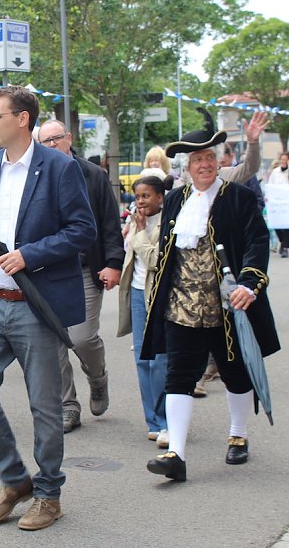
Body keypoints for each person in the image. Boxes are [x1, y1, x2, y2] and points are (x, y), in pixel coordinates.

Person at [0, 86, 96, 530]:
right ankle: (15, 480)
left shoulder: (59, 167)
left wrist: (29, 254)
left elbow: (82, 230)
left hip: (36, 305)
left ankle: (49, 493)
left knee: (45, 406)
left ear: (22, 119)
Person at [142, 113, 280, 483]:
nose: (203, 164)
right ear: (186, 167)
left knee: (235, 374)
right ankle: (177, 454)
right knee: (178, 377)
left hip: (226, 308)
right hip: (181, 308)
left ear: (219, 161)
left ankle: (238, 434)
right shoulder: (173, 201)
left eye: (208, 157)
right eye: (196, 159)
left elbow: (257, 242)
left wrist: (249, 283)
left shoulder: (238, 197)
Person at [37, 119, 123, 433]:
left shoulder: (93, 175)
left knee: (81, 337)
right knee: (54, 339)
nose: (50, 146)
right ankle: (67, 406)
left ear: (69, 138)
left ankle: (98, 378)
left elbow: (110, 222)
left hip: (86, 269)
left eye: (55, 139)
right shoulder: (38, 176)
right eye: (44, 141)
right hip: (49, 271)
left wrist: (114, 262)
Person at [117, 176, 170, 448]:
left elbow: (154, 260)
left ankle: (165, 421)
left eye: (146, 196)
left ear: (160, 197)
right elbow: (129, 256)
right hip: (136, 294)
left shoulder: (166, 223)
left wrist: (138, 234)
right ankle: (152, 421)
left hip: (157, 296)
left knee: (158, 359)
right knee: (141, 358)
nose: (141, 202)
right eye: (137, 197)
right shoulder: (134, 221)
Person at [266, 155, 289, 258]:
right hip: (276, 202)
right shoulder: (275, 172)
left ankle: (285, 247)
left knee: (286, 226)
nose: (283, 162)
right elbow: (270, 184)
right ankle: (283, 240)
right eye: (282, 160)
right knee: (277, 225)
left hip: (288, 202)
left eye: (285, 160)